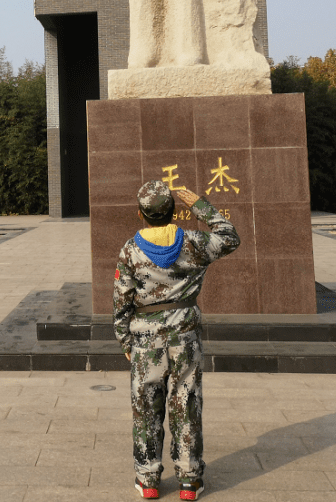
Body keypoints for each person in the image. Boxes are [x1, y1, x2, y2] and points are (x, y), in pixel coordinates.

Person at [113, 180, 240, 500]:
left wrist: (125, 340)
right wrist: (200, 205)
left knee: (146, 407)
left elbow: (121, 299)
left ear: (140, 213)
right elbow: (230, 236)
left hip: (146, 340)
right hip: (185, 335)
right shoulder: (194, 242)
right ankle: (189, 479)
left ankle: (148, 480)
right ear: (173, 212)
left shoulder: (130, 249)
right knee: (187, 402)